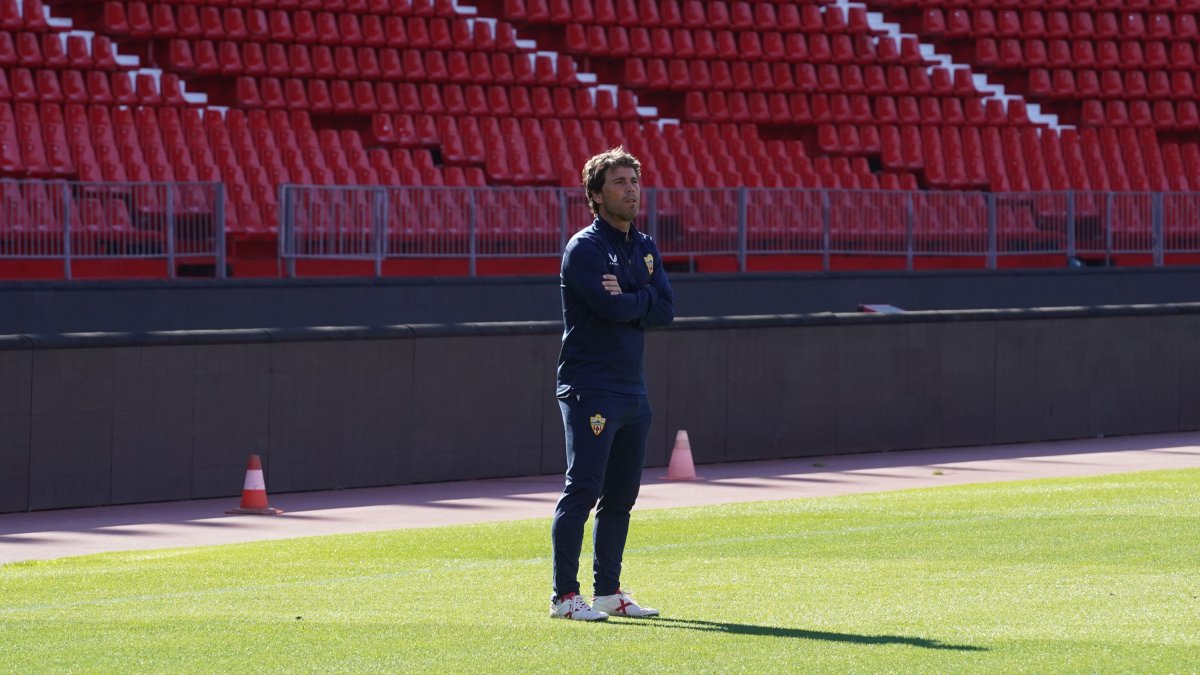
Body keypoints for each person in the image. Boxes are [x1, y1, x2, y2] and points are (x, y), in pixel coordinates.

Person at [549, 147, 675, 621]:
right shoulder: (585, 247)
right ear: (596, 195)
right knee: (582, 489)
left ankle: (608, 593)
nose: (630, 190)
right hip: (591, 387)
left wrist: (634, 294)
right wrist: (640, 299)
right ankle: (564, 597)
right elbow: (610, 309)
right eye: (619, 183)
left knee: (622, 496)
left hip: (632, 389)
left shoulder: (643, 246)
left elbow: (665, 309)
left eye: (633, 181)